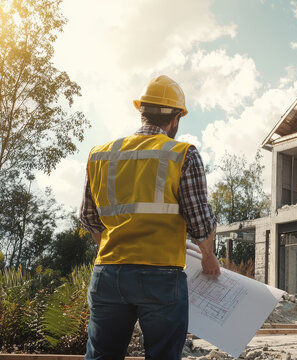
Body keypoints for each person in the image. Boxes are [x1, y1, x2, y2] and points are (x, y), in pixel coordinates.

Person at [79, 75, 220, 360]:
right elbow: (200, 224)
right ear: (176, 118)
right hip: (161, 275)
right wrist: (208, 257)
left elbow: (89, 218)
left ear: (141, 111)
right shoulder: (182, 154)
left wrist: (117, 250)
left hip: (108, 272)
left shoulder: (100, 155)